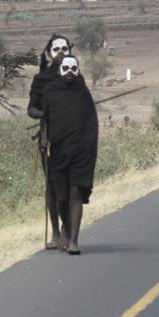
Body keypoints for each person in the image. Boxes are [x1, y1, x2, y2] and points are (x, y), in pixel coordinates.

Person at [43, 55, 98, 255]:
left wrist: (89, 147)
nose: (69, 72)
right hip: (59, 151)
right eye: (66, 68)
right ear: (60, 70)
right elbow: (46, 119)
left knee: (76, 193)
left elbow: (92, 123)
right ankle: (64, 230)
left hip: (82, 152)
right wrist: (44, 138)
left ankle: (74, 240)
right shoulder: (51, 91)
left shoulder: (83, 93)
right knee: (61, 197)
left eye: (73, 68)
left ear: (78, 70)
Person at [28, 34, 72, 249]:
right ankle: (56, 233)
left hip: (73, 141)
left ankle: (68, 229)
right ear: (48, 53)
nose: (61, 52)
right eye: (56, 49)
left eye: (65, 48)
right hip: (48, 140)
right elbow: (31, 109)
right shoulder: (41, 80)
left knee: (70, 189)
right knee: (52, 188)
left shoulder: (74, 77)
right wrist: (45, 112)